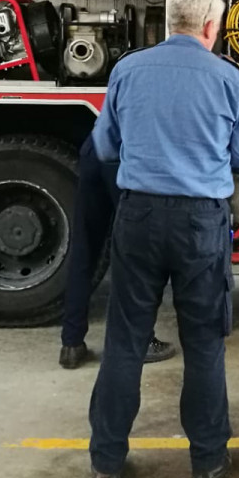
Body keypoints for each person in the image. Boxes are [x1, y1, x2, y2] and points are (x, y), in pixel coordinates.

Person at [87, 0, 239, 478]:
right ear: (211, 27)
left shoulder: (127, 69)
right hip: (200, 224)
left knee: (125, 341)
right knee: (204, 344)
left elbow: (104, 145)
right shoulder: (229, 77)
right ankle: (208, 464)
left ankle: (106, 465)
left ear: (170, 23)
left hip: (138, 216)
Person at [58, 130, 176, 370]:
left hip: (97, 144)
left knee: (85, 247)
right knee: (136, 253)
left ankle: (71, 343)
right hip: (129, 152)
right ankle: (142, 341)